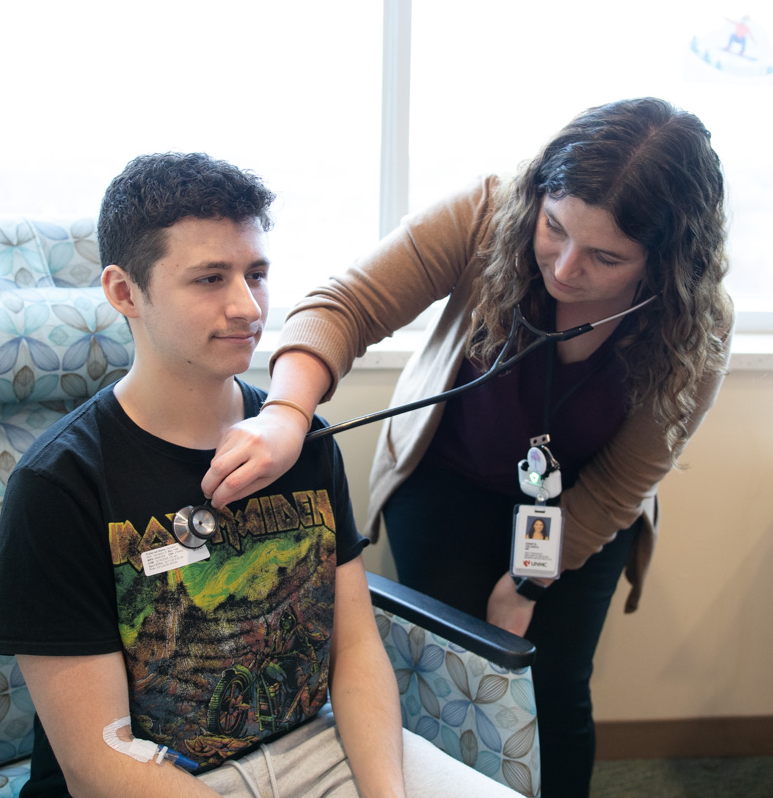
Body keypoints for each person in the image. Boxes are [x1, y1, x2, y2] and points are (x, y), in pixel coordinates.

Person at [199, 98, 734, 798]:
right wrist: (287, 411)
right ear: (537, 198)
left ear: (664, 265)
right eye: (554, 229)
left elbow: (619, 484)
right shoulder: (488, 212)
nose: (566, 269)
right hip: (447, 480)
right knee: (437, 672)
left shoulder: (695, 327)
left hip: (582, 507)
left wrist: (525, 584)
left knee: (552, 683)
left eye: (605, 257)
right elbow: (344, 305)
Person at [0, 153, 520, 798]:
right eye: (210, 278)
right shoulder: (60, 483)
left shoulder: (303, 440)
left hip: (313, 748)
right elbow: (100, 763)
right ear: (125, 292)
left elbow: (352, 653)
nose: (248, 306)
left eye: (256, 274)